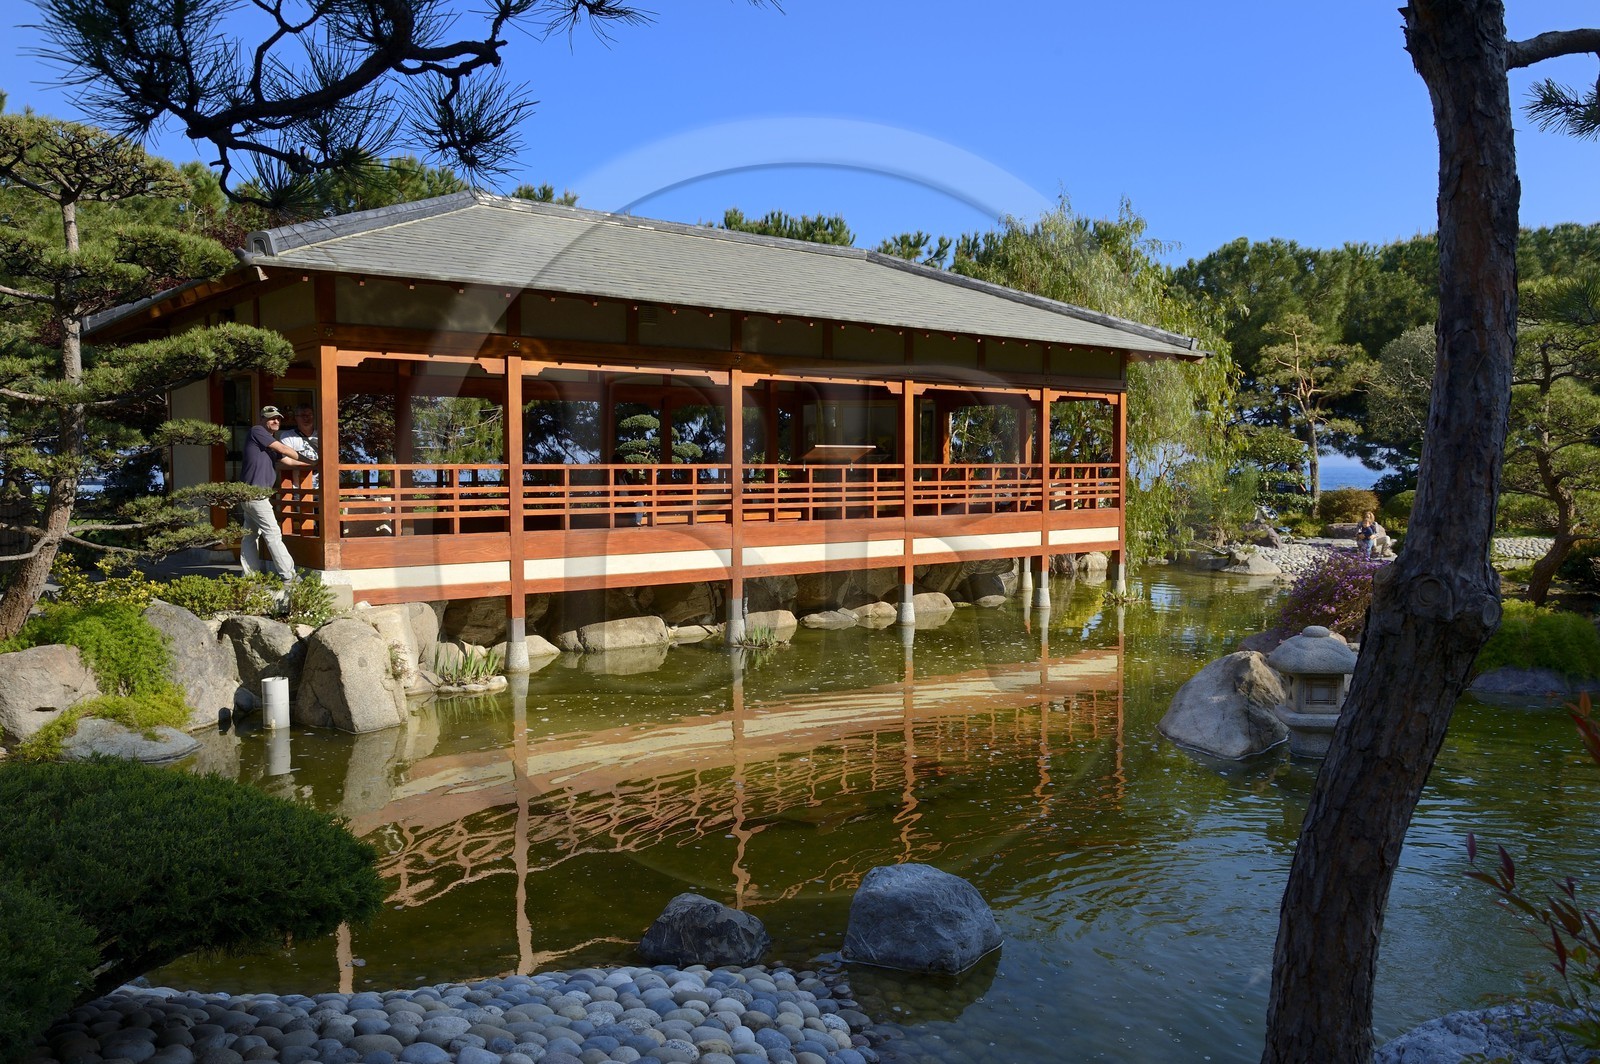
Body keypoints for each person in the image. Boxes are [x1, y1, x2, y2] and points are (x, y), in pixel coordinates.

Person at [237, 404, 310, 581]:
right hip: (255, 494)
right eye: (271, 418)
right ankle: (289, 575)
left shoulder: (268, 442)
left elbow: (289, 461)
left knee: (250, 535)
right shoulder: (258, 431)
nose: (276, 421)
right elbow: (284, 450)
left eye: (278, 418)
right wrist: (309, 459)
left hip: (250, 494)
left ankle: (250, 575)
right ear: (262, 419)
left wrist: (314, 464)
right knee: (273, 534)